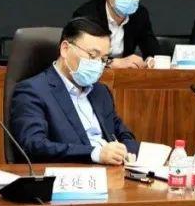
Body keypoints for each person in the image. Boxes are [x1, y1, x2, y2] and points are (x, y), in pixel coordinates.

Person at [9, 17, 138, 165]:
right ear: (65, 49)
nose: (98, 64)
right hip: (69, 173)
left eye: (104, 59)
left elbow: (123, 134)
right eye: (92, 55)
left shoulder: (100, 91)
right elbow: (35, 146)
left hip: (112, 171)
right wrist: (95, 154)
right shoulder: (32, 91)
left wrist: (126, 150)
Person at [71, 0, 161, 69]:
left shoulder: (139, 14)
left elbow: (153, 51)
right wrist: (111, 63)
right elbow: (76, 55)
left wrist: (151, 61)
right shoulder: (87, 15)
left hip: (123, 77)